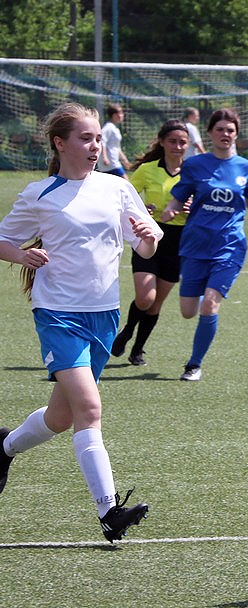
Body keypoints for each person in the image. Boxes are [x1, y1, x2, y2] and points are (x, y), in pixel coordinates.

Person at [0, 102, 161, 541]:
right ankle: (110, 512)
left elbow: (145, 245)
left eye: (97, 139)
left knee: (60, 416)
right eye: (86, 139)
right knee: (89, 410)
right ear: (60, 143)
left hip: (104, 314)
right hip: (58, 315)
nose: (95, 146)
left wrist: (147, 241)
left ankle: (4, 448)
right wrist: (22, 254)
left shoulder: (116, 187)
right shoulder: (40, 193)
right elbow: (2, 240)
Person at [162, 108, 248, 382]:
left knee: (210, 305)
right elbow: (180, 195)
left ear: (236, 134)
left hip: (229, 244)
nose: (226, 134)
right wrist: (170, 210)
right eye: (220, 129)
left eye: (231, 130)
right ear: (210, 132)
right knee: (188, 312)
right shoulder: (195, 165)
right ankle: (203, 293)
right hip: (195, 243)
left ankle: (194, 365)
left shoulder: (247, 167)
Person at [111, 118, 191, 366]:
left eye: (182, 142)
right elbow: (125, 199)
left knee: (156, 303)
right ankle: (125, 333)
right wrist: (142, 208)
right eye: (172, 141)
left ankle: (138, 349)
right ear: (162, 142)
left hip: (179, 242)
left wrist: (192, 207)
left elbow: (206, 204)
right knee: (145, 297)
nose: (177, 146)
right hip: (149, 236)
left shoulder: (194, 172)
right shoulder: (147, 169)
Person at [99, 103, 132, 178]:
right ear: (114, 115)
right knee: (125, 183)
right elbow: (102, 142)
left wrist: (124, 160)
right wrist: (105, 158)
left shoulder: (115, 129)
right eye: (119, 113)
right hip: (110, 163)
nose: (122, 115)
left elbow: (117, 147)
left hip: (114, 161)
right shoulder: (108, 127)